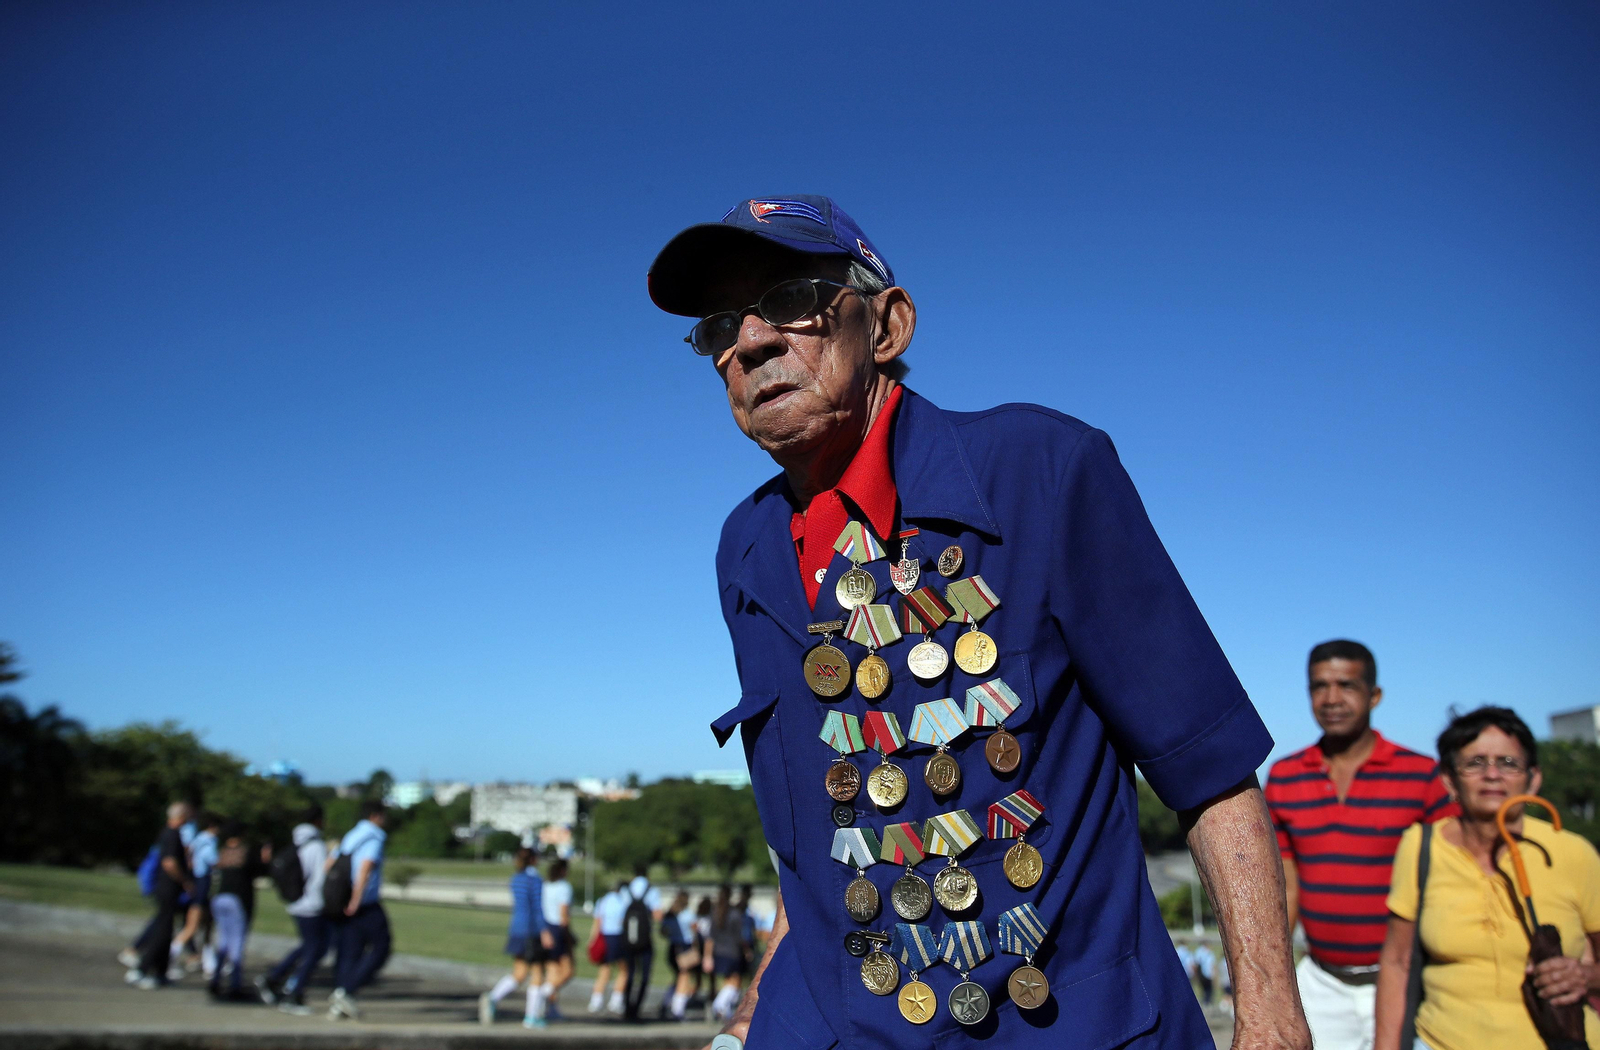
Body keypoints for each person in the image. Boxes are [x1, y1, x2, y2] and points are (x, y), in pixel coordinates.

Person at [648, 195, 1309, 1048]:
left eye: (789, 299)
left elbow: (1210, 777)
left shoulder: (1039, 471)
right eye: (720, 328)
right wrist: (743, 1027)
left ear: (887, 325)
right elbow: (822, 850)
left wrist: (1271, 1022)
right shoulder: (747, 549)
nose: (750, 342)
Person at [1266, 640, 1455, 1050]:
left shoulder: (1423, 777)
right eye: (1319, 686)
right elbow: (1286, 887)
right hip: (1321, 983)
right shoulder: (1284, 777)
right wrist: (1273, 982)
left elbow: (1453, 884)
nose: (1331, 698)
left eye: (1346, 685)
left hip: (1405, 982)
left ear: (1375, 695)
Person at [1374, 706, 1600, 1050]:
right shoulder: (1420, 847)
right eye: (1475, 763)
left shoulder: (1573, 852)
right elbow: (1396, 961)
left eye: (1508, 763)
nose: (1492, 775)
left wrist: (1585, 976)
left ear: (1533, 778)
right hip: (1442, 1041)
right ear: (1449, 779)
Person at [259, 805, 330, 1013]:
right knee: (315, 949)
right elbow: (320, 878)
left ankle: (274, 978)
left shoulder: (296, 841)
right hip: (312, 905)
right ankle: (294, 992)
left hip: (296, 902)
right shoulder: (316, 845)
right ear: (318, 821)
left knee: (310, 946)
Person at [327, 800, 390, 1021]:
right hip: (364, 902)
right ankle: (346, 992)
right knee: (381, 947)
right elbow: (365, 867)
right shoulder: (374, 836)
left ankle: (340, 1000)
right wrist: (356, 898)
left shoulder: (351, 835)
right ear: (376, 816)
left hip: (342, 899)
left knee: (350, 952)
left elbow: (330, 864)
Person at [479, 848, 551, 1028]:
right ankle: (532, 1016)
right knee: (537, 972)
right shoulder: (534, 880)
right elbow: (537, 907)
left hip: (516, 928)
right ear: (534, 860)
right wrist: (544, 930)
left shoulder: (516, 879)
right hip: (531, 930)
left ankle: (493, 997)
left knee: (519, 972)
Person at [127, 801, 194, 989]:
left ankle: (160, 972)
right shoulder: (172, 834)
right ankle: (141, 969)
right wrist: (185, 881)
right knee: (162, 931)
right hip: (167, 888)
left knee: (167, 929)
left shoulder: (167, 833)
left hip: (166, 888)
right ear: (181, 816)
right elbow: (169, 863)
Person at [207, 819, 271, 999]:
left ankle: (216, 978)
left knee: (223, 942)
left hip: (219, 897)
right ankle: (235, 984)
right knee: (236, 943)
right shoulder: (246, 851)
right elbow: (260, 870)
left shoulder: (223, 851)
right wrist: (265, 858)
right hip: (237, 899)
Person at [171, 810, 219, 980]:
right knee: (192, 927)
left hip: (199, 884)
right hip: (202, 886)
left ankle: (210, 965)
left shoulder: (197, 840)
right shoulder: (208, 842)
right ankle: (169, 957)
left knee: (207, 928)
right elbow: (212, 860)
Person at [621, 866, 664, 1022]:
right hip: (645, 940)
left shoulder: (627, 889)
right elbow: (657, 914)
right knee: (644, 975)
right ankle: (636, 1009)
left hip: (628, 939)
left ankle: (626, 1007)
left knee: (630, 974)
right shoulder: (651, 890)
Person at [537, 858, 574, 1019]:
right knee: (568, 970)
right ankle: (542, 995)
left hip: (544, 927)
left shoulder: (545, 885)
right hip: (557, 929)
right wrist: (568, 934)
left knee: (552, 970)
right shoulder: (564, 887)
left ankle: (551, 1008)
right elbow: (563, 914)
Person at [707, 884, 747, 1022]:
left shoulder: (715, 912)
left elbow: (710, 937)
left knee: (726, 981)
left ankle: (724, 1008)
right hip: (732, 951)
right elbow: (739, 937)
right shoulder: (735, 914)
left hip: (718, 951)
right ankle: (719, 1005)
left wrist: (707, 956)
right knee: (735, 982)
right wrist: (746, 950)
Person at [588, 880, 628, 1015]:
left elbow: (597, 922)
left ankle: (596, 1000)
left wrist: (593, 940)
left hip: (604, 936)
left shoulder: (603, 900)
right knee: (623, 970)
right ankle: (616, 1000)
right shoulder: (624, 901)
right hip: (618, 936)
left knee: (604, 970)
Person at [663, 889, 698, 1020]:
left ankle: (667, 1001)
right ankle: (677, 1008)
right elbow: (695, 932)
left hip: (672, 947)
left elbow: (663, 931)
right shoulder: (688, 914)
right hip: (684, 947)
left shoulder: (670, 914)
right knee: (684, 977)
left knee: (678, 976)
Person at [1193, 941, 1216, 1006]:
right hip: (1208, 973)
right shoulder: (1209, 953)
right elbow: (1212, 964)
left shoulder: (1198, 951)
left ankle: (1205, 1001)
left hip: (1201, 974)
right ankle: (1207, 1002)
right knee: (1208, 989)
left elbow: (1196, 963)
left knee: (1203, 988)